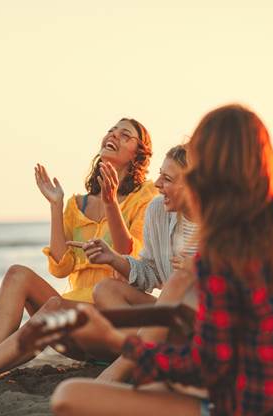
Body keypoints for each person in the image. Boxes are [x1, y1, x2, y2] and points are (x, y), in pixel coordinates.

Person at [49, 104, 273, 415]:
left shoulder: (219, 255)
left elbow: (204, 368)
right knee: (155, 386)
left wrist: (115, 340)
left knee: (69, 396)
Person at [0, 118, 157, 391]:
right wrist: (56, 206)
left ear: (138, 154)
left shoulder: (146, 197)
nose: (114, 135)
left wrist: (111, 201)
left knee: (54, 308)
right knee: (17, 274)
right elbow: (60, 267)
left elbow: (129, 255)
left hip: (110, 325)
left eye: (125, 135)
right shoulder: (77, 204)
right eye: (111, 130)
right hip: (73, 324)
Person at [83, 144, 199, 382]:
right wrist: (114, 259)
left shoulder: (225, 223)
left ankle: (143, 359)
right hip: (170, 316)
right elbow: (151, 272)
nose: (157, 184)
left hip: (207, 323)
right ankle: (154, 354)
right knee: (106, 289)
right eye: (159, 174)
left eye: (166, 178)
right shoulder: (158, 210)